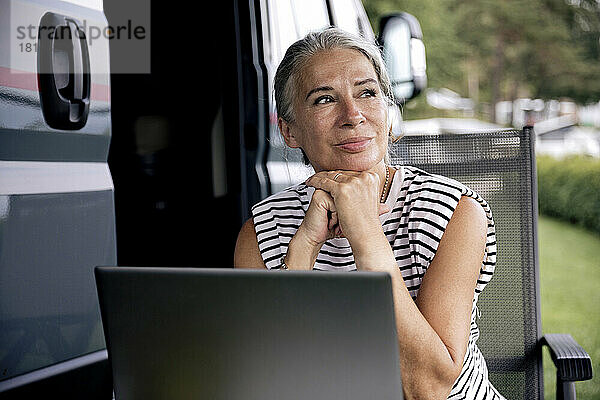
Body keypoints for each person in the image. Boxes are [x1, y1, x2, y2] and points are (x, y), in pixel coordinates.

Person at [234, 27, 505, 400]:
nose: (353, 115)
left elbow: (428, 389)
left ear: (388, 111)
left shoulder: (454, 212)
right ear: (289, 130)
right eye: (324, 99)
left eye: (367, 93)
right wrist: (302, 251)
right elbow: (268, 379)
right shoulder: (260, 233)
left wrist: (366, 234)